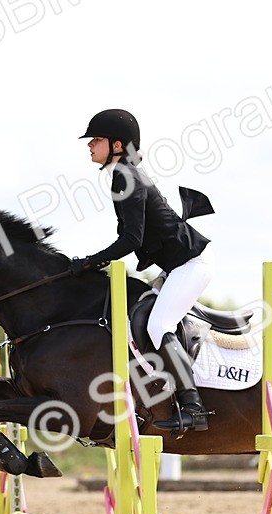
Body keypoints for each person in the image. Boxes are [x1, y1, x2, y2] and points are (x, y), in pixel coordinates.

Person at [71, 109, 216, 436]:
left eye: (96, 140)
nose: (90, 146)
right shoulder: (121, 174)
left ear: (117, 144)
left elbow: (131, 239)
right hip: (177, 267)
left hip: (191, 266)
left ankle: (193, 407)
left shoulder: (126, 176)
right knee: (139, 315)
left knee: (158, 323)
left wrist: (91, 261)